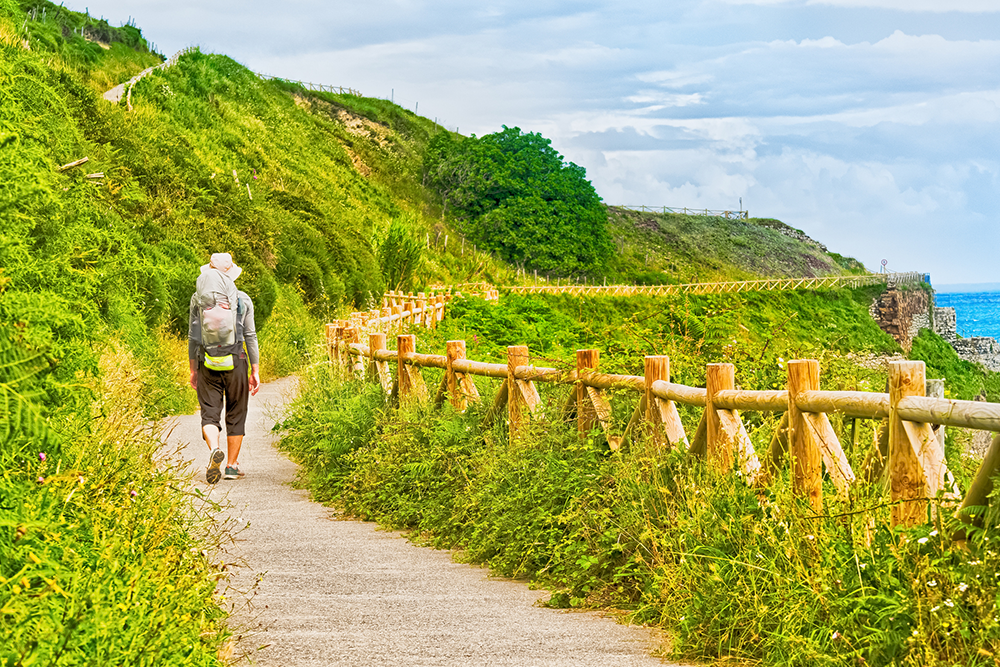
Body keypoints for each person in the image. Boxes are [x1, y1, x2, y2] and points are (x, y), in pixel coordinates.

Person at [188, 253, 260, 483]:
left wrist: (193, 369)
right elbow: (250, 335)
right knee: (236, 411)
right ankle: (231, 466)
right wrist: (255, 370)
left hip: (207, 360)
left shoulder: (196, 299)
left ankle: (213, 451)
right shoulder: (242, 300)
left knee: (209, 411)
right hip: (236, 359)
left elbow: (193, 337)